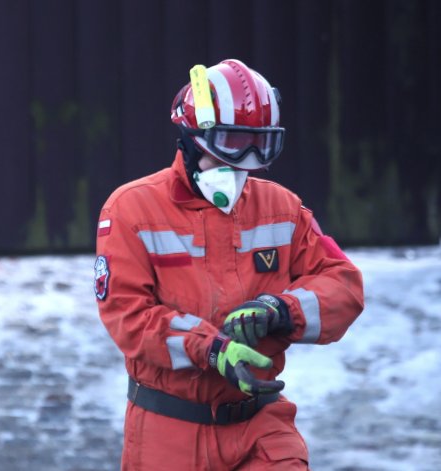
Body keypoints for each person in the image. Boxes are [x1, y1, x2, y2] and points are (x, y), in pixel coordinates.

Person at [94, 59, 364, 470]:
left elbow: (343, 285)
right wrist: (212, 348)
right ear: (190, 138)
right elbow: (129, 317)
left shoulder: (281, 208)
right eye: (232, 143)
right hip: (169, 432)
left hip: (261, 425)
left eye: (258, 146)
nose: (241, 166)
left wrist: (280, 310)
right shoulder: (131, 209)